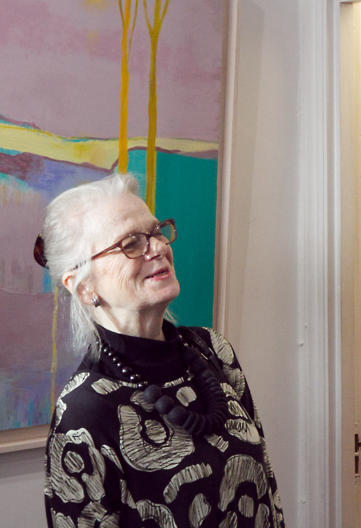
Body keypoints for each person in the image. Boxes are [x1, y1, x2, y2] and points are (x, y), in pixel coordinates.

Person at [35, 173, 284, 528]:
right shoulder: (84, 411)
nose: (158, 248)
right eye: (131, 243)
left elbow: (268, 490)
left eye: (155, 231)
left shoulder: (213, 350)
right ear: (84, 286)